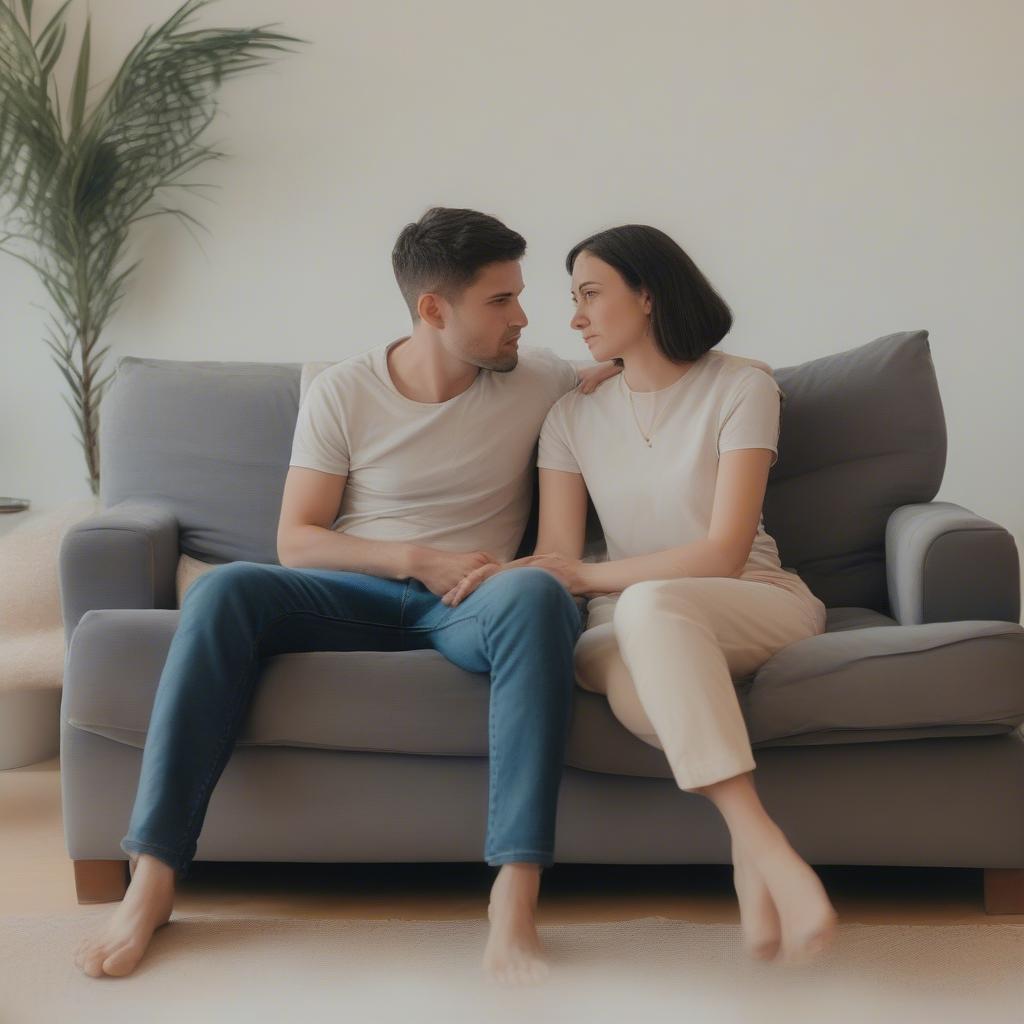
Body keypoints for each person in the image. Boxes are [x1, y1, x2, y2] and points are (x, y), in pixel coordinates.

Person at [73, 206, 622, 986]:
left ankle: (514, 896)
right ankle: (153, 881)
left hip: (471, 603)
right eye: (501, 301)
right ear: (434, 309)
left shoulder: (541, 378)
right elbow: (298, 538)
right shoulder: (344, 391)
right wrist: (414, 558)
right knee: (227, 591)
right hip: (350, 595)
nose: (524, 318)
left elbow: (643, 376)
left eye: (520, 296)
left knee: (536, 593)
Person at [441, 224, 839, 966]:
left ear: (648, 294)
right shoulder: (570, 416)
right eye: (572, 300)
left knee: (653, 604)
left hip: (747, 594)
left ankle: (770, 858)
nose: (575, 316)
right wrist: (527, 571)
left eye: (590, 294)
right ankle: (755, 850)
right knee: (637, 655)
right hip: (623, 623)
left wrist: (584, 577)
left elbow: (722, 551)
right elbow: (558, 553)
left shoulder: (742, 387)